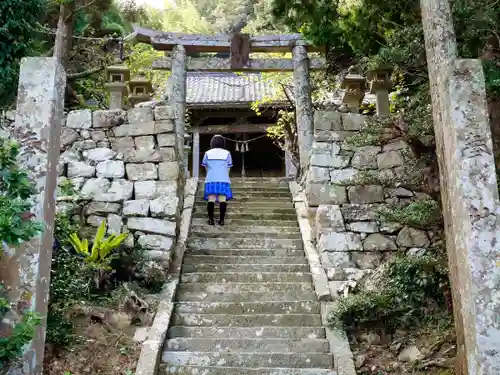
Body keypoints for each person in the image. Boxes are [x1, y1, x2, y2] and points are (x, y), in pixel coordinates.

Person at [202, 135, 233, 225]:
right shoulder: (227, 153)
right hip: (223, 179)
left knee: (211, 198)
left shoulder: (207, 153)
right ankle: (222, 220)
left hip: (211, 179)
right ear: (223, 143)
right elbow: (228, 167)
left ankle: (211, 220)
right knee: (222, 199)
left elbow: (206, 167)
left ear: (212, 142)